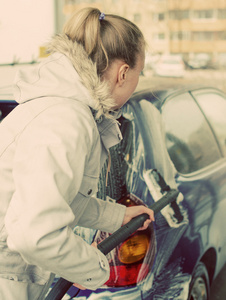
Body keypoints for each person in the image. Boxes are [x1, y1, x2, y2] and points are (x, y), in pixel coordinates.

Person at [0, 7, 154, 300]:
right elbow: (35, 233)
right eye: (139, 73)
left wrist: (117, 216)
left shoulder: (61, 109)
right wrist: (92, 269)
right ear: (123, 73)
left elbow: (58, 199)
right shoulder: (66, 120)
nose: (136, 82)